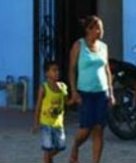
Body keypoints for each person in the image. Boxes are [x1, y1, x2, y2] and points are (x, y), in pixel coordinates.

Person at [68, 15, 114, 163]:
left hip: (101, 92)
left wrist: (111, 92)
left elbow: (107, 70)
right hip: (85, 93)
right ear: (88, 29)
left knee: (99, 129)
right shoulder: (79, 45)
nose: (100, 31)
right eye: (96, 28)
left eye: (101, 28)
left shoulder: (103, 47)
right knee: (85, 128)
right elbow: (72, 70)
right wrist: (74, 91)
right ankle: (75, 146)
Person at [33, 60, 68, 163]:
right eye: (54, 70)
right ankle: (47, 159)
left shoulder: (63, 87)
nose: (57, 72)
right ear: (47, 73)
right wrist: (36, 122)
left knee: (60, 146)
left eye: (58, 70)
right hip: (46, 123)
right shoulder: (43, 87)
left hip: (58, 123)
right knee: (47, 148)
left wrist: (78, 99)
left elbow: (67, 102)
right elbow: (38, 106)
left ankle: (47, 159)